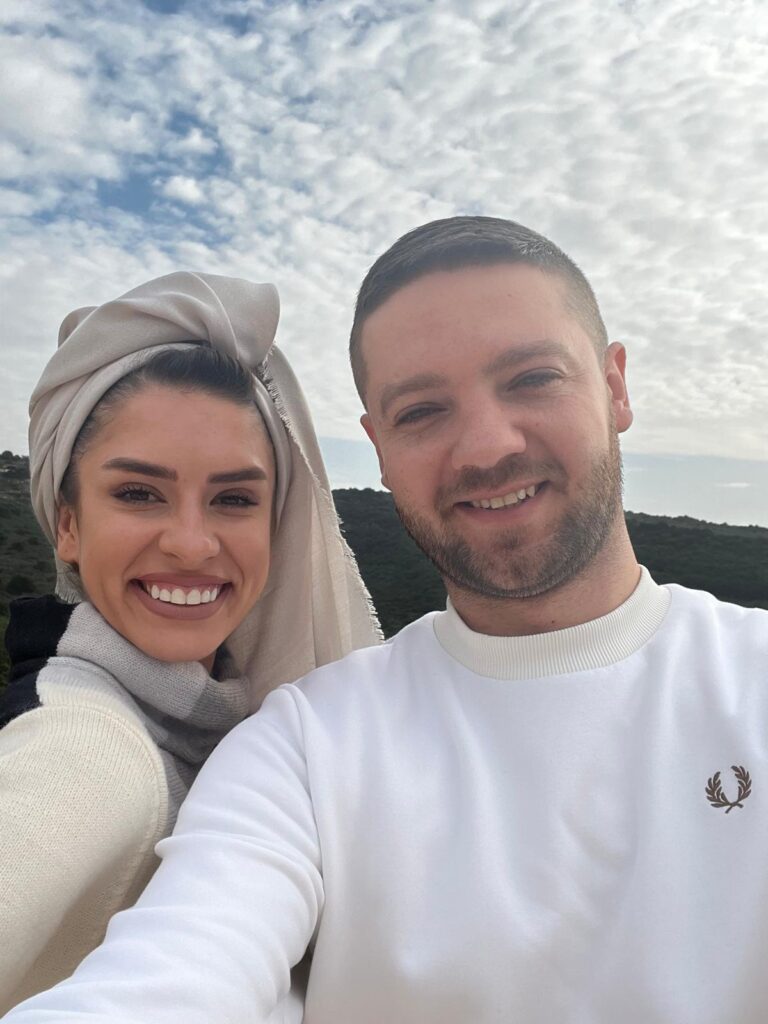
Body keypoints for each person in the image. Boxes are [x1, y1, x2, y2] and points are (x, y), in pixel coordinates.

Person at [4, 218, 767, 1024]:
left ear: (615, 387)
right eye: (422, 410)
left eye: (533, 378)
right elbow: (178, 967)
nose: (486, 447)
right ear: (376, 445)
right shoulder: (303, 741)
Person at [0, 271, 380, 1013]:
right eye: (139, 493)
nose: (191, 542)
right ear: (68, 524)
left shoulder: (224, 724)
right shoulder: (85, 750)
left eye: (234, 499)